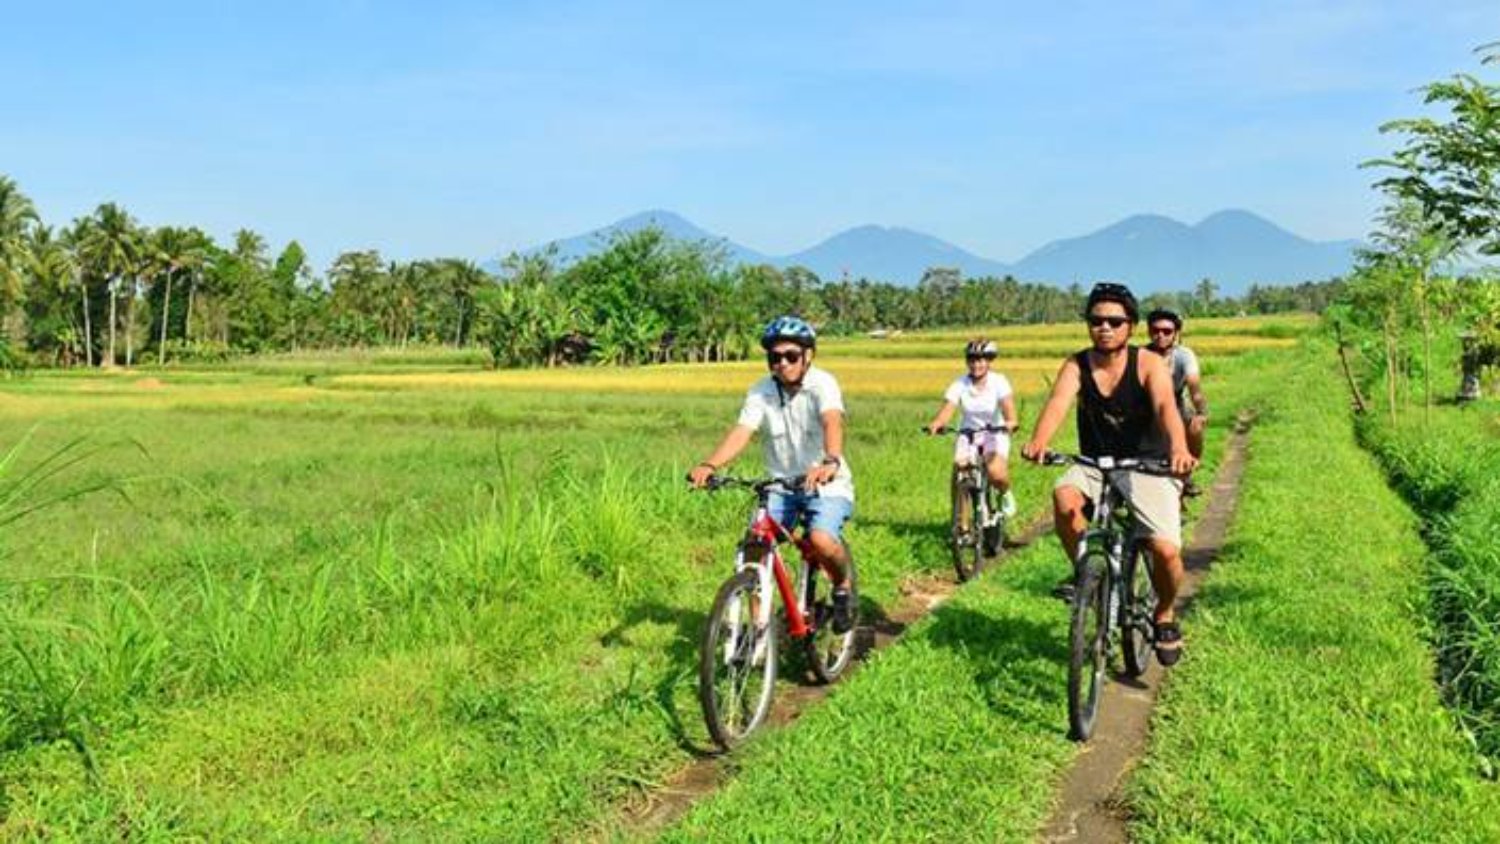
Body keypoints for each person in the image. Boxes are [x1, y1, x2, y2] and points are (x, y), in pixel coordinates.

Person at [1020, 283, 1197, 665]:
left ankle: (1164, 613)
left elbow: (1167, 406)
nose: (1104, 328)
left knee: (1165, 551)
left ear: (1130, 326)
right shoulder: (1077, 364)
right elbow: (1058, 402)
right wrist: (1039, 441)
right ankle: (1089, 575)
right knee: (1064, 497)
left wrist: (1179, 449)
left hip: (1147, 464)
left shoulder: (1148, 364)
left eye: (1114, 321)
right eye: (1096, 320)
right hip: (1096, 464)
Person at [688, 316, 857, 633]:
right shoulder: (760, 391)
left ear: (808, 355)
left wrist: (830, 460)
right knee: (755, 544)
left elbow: (832, 421)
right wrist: (710, 465)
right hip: (781, 485)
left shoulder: (823, 384)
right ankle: (759, 630)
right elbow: (742, 431)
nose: (782, 363)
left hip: (826, 483)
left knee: (820, 540)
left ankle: (843, 585)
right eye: (774, 357)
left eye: (791, 355)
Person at [924, 338, 1019, 527]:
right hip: (968, 433)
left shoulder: (999, 382)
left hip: (994, 432)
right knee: (960, 469)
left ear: (989, 361)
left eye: (982, 360)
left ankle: (1005, 494)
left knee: (995, 472)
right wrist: (937, 423)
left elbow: (1008, 407)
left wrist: (1010, 422)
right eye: (973, 360)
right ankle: (962, 524)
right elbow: (948, 408)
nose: (977, 364)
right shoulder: (960, 384)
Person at [1144, 308, 1209, 497]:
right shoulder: (1142, 354)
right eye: (1155, 330)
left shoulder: (1184, 355)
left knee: (1194, 428)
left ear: (1176, 333)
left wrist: (1201, 412)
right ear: (1149, 332)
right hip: (1147, 405)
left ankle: (1187, 473)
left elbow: (1194, 388)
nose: (1160, 335)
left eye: (1167, 331)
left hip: (1177, 401)